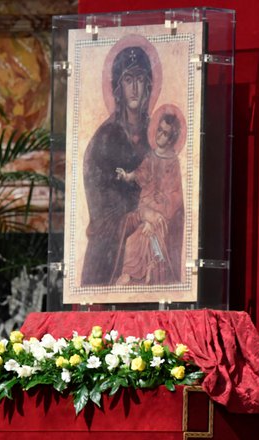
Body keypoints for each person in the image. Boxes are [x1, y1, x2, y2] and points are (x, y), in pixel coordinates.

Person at [81, 45, 154, 285]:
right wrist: (133, 218)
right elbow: (100, 210)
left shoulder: (157, 133)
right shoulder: (104, 138)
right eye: (128, 80)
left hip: (148, 235)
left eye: (140, 80)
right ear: (118, 87)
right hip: (110, 252)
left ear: (148, 86)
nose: (134, 88)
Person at [113, 111, 184, 285]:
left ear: (171, 139)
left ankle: (133, 274)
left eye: (165, 133)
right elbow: (139, 174)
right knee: (129, 233)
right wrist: (126, 176)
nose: (160, 135)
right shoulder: (150, 157)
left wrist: (155, 217)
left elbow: (175, 195)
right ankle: (135, 273)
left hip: (161, 215)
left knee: (137, 239)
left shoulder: (173, 162)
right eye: (159, 130)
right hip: (145, 210)